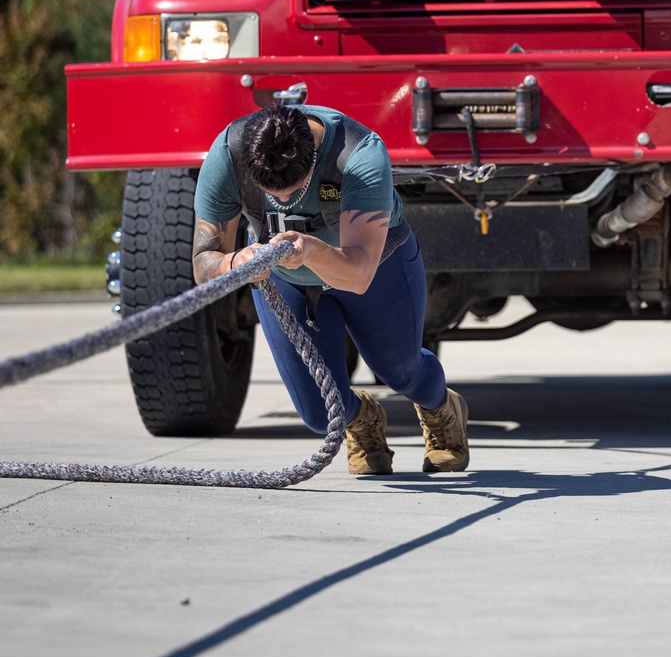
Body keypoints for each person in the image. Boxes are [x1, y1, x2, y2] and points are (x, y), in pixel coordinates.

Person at [191, 103, 469, 476]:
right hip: (288, 282)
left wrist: (310, 250)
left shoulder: (360, 155)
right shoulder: (227, 155)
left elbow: (358, 274)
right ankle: (362, 420)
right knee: (320, 414)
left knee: (401, 371)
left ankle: (440, 409)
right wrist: (236, 264)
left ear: (313, 157)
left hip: (376, 268)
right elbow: (203, 262)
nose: (285, 201)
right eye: (272, 191)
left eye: (295, 189)